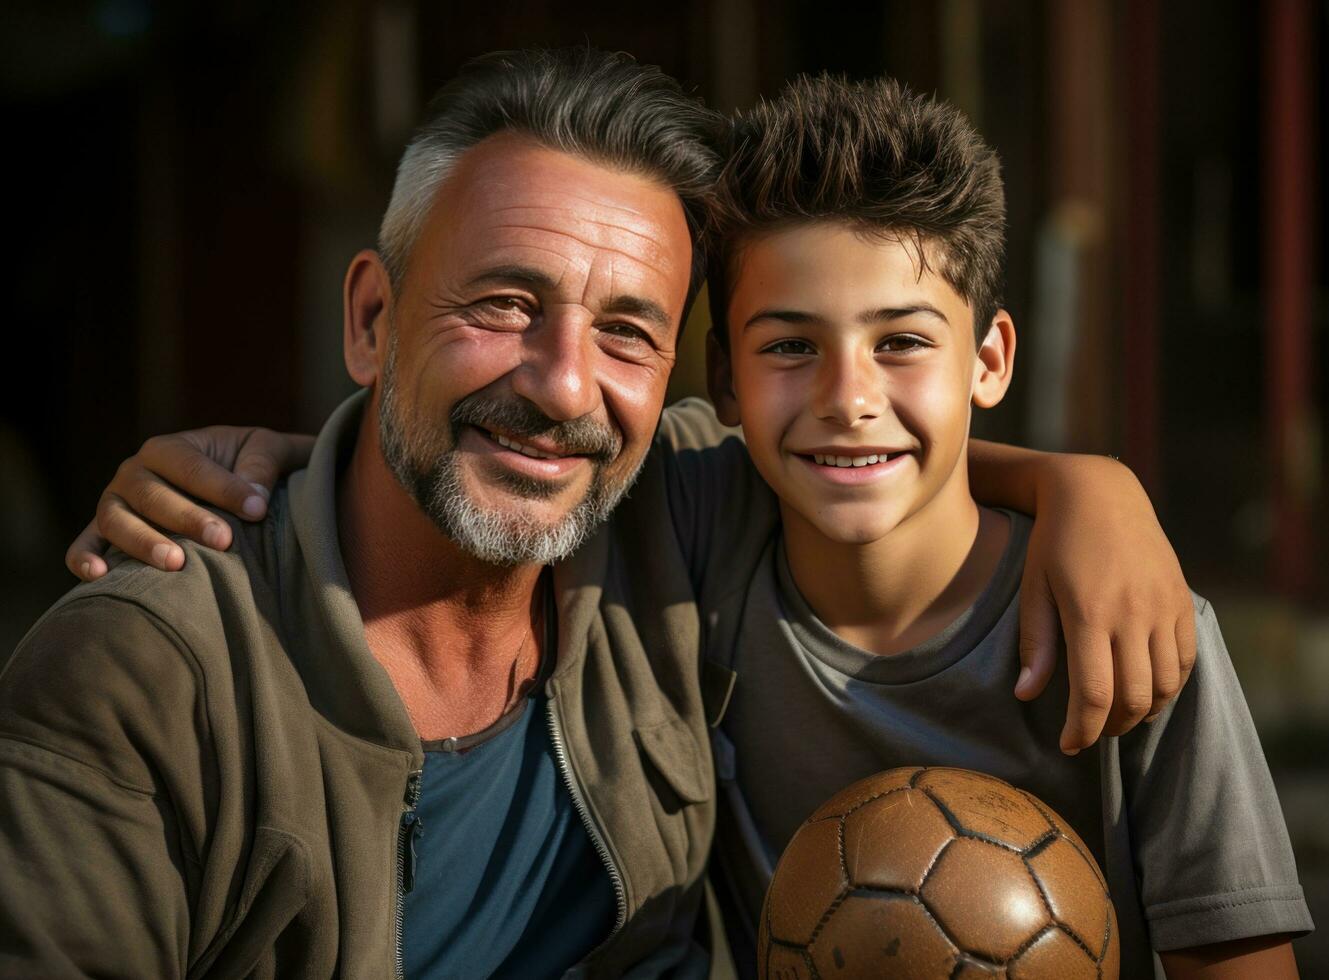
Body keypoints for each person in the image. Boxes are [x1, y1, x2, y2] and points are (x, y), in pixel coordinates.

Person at [18, 49, 1194, 979]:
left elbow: (868, 446)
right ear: (372, 319)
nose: (565, 384)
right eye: (503, 301)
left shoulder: (670, 518)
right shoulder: (149, 672)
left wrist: (1090, 486)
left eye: (629, 331)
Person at [689, 75, 1309, 977]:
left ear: (989, 360)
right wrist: (1085, 478)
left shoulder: (1131, 622)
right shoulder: (698, 553)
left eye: (899, 341)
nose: (848, 398)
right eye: (789, 346)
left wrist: (1098, 488)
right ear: (723, 379)